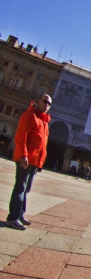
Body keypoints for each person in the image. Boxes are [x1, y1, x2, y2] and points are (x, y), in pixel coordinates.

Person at [6, 95, 52, 230]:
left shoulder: (44, 121)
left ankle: (20, 214)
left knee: (26, 189)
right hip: (26, 159)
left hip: (35, 161)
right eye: (45, 102)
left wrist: (40, 163)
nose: (47, 105)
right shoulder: (30, 115)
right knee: (20, 187)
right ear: (38, 101)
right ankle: (12, 218)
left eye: (49, 104)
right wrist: (22, 155)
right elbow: (21, 136)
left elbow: (42, 144)